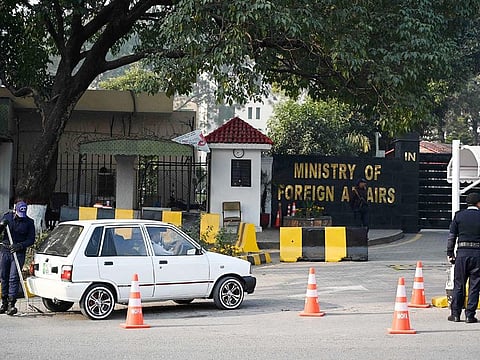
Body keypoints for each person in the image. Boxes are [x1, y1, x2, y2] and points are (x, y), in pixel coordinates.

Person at [447, 192, 480, 323]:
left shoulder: (459, 215)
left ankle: (455, 314)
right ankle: (470, 315)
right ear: (478, 203)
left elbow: (451, 236)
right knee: (475, 285)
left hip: (462, 253)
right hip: (478, 254)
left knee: (459, 284)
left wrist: (450, 253)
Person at [0, 200, 35, 315]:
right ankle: (4, 303)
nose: (20, 217)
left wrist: (19, 245)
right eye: (19, 213)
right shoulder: (7, 217)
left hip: (18, 252)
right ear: (15, 210)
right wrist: (1, 226)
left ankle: (11, 305)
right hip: (5, 250)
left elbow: (31, 239)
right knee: (3, 277)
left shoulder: (29, 222)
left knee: (13, 278)